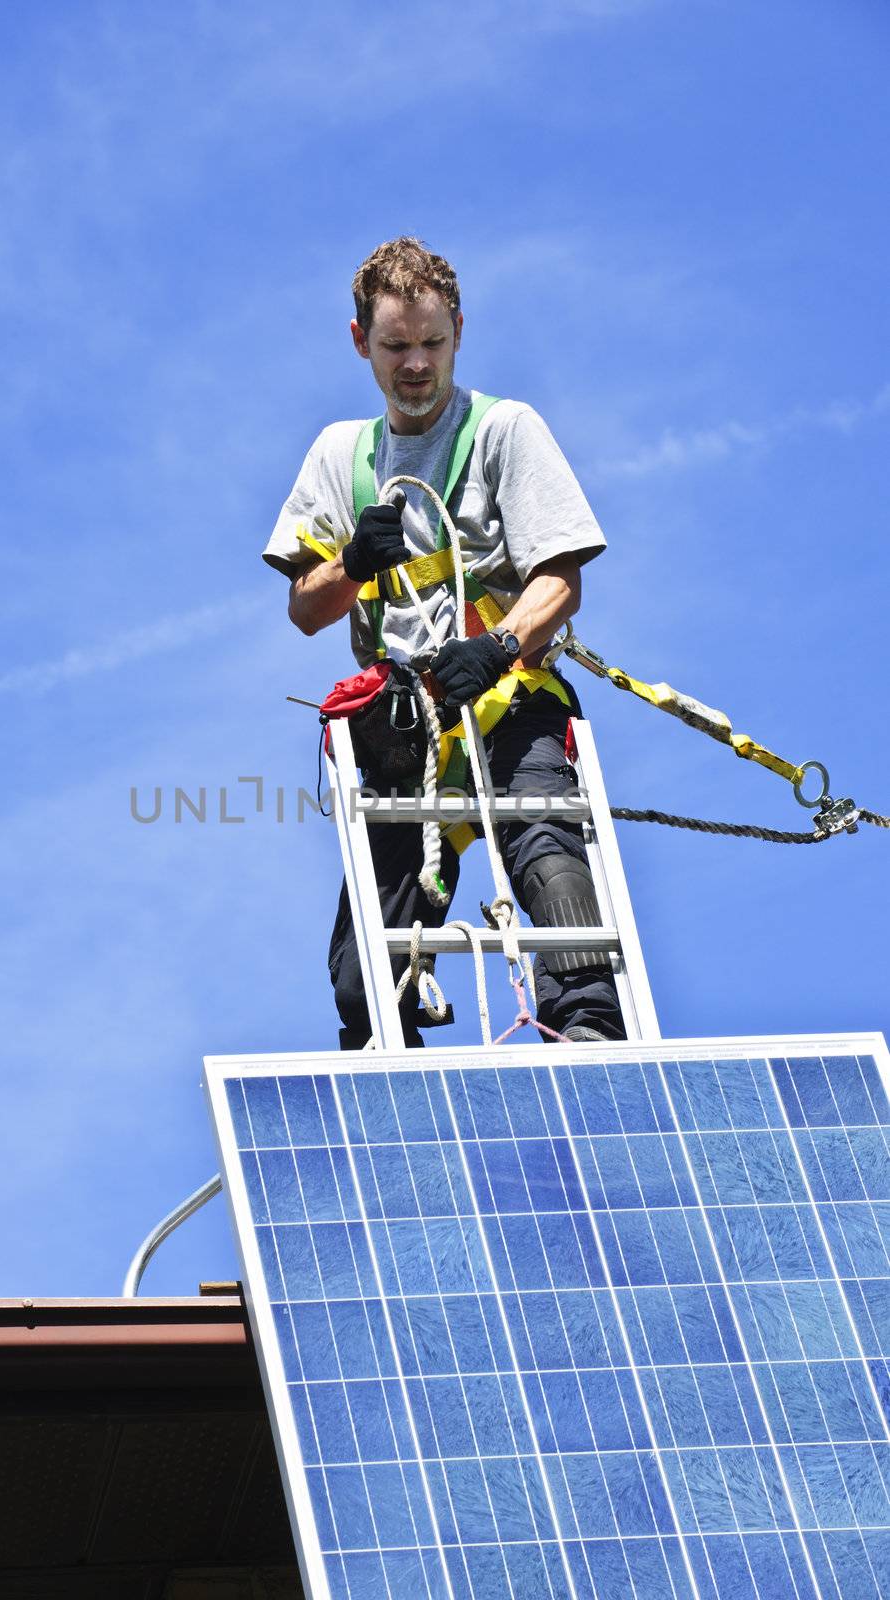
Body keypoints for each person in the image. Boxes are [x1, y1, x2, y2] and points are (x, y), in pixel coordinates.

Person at [263, 237, 624, 1049]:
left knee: (547, 853)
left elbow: (560, 579)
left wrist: (497, 645)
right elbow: (304, 610)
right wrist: (353, 562)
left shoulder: (503, 431)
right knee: (363, 976)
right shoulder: (338, 456)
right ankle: (397, 1088)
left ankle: (591, 1044)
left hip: (506, 695)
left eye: (431, 342)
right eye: (395, 345)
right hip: (402, 722)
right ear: (360, 342)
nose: (415, 364)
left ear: (458, 330)